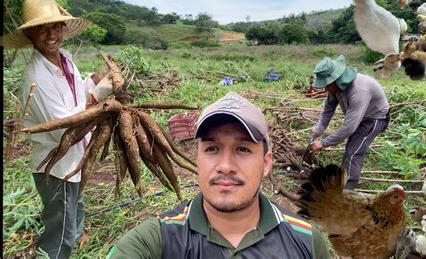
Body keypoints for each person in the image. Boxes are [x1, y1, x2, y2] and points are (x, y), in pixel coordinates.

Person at [107, 92, 330, 258]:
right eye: (212, 149)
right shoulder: (158, 239)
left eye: (242, 149)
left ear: (265, 163)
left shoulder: (306, 241)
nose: (225, 166)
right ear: (198, 159)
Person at [1, 0, 113, 258]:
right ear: (30, 33)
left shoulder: (64, 59)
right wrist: (96, 97)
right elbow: (63, 129)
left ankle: (74, 241)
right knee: (60, 232)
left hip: (75, 161)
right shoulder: (36, 77)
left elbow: (75, 95)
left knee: (76, 209)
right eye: (42, 28)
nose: (51, 34)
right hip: (56, 166)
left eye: (56, 26)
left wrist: (92, 81)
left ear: (63, 28)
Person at [309, 55, 390, 190]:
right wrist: (317, 130)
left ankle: (348, 188)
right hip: (361, 117)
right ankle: (344, 178)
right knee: (351, 148)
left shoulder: (359, 90)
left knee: (353, 152)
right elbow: (327, 111)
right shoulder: (335, 88)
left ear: (335, 80)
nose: (325, 89)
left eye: (326, 85)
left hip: (375, 118)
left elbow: (349, 128)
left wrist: (323, 143)